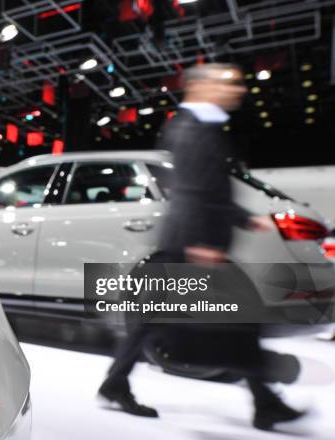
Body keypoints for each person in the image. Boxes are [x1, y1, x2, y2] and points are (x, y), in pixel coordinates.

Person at [98, 63, 305, 430]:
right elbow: (192, 190)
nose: (238, 89)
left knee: (155, 320)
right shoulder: (193, 128)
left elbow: (206, 186)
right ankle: (265, 402)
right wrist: (203, 242)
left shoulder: (199, 126)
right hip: (192, 241)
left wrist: (241, 218)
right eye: (229, 83)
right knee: (239, 318)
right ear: (202, 87)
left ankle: (116, 384)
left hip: (187, 240)